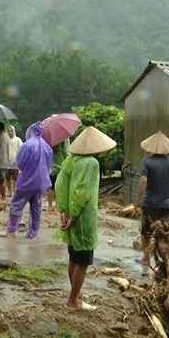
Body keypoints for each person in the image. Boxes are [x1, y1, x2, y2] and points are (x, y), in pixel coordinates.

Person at [55, 126, 116, 311]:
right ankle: (73, 300)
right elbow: (81, 191)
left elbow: (60, 185)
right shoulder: (90, 163)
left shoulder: (71, 160)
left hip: (72, 214)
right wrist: (73, 215)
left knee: (74, 257)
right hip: (82, 218)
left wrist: (64, 212)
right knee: (83, 260)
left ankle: (76, 292)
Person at [133, 131, 169, 276]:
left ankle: (146, 259)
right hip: (167, 205)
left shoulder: (147, 161)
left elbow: (143, 181)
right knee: (165, 234)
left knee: (146, 233)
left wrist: (138, 199)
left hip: (150, 204)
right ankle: (166, 262)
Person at [0, 121, 52, 239]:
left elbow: (20, 163)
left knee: (17, 204)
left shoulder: (27, 145)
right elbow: (48, 165)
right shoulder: (47, 147)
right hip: (41, 182)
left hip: (27, 181)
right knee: (36, 207)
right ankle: (33, 233)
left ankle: (11, 230)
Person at [48, 138, 70, 209]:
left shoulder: (50, 139)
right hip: (62, 165)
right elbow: (67, 152)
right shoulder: (65, 138)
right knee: (60, 186)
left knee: (50, 186)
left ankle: (50, 205)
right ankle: (58, 204)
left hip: (51, 167)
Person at [0, 122, 11, 200]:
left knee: (1, 180)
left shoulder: (1, 137)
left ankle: (3, 196)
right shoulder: (7, 136)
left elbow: (0, 151)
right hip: (5, 161)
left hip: (0, 162)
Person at [6, 125, 23, 194]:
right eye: (8, 131)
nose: (10, 132)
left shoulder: (17, 140)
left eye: (11, 131)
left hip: (15, 162)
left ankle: (15, 191)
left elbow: (21, 149)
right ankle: (9, 191)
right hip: (6, 163)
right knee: (7, 178)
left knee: (15, 178)